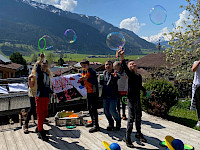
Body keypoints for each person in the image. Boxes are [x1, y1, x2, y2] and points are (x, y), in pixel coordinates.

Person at [118, 49, 147, 148]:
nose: (132, 64)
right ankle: (127, 137)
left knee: (138, 117)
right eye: (130, 64)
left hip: (137, 99)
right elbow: (125, 67)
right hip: (130, 99)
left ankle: (138, 133)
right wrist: (122, 57)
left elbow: (139, 86)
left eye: (133, 63)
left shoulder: (138, 76)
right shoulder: (129, 75)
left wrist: (145, 90)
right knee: (131, 118)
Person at [35, 54, 53, 141]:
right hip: (40, 96)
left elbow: (47, 86)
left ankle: (39, 128)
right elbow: (37, 66)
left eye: (46, 63)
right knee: (40, 114)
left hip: (46, 96)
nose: (45, 64)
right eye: (43, 63)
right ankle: (40, 131)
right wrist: (41, 59)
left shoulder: (46, 74)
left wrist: (52, 92)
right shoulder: (39, 73)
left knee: (45, 113)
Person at [100, 60, 121, 131]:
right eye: (106, 64)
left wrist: (115, 77)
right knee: (106, 111)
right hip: (105, 95)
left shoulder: (114, 72)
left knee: (112, 110)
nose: (107, 66)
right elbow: (102, 84)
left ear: (112, 66)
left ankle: (118, 121)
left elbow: (118, 76)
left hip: (113, 95)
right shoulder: (104, 73)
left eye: (109, 64)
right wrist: (100, 80)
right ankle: (111, 123)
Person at [80, 59, 100, 133]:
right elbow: (82, 84)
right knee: (89, 107)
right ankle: (93, 122)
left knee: (93, 108)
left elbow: (95, 82)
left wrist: (87, 79)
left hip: (94, 91)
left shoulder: (92, 72)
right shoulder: (83, 72)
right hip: (88, 91)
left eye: (84, 66)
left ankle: (96, 125)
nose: (83, 67)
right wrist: (82, 80)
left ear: (88, 65)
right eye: (82, 66)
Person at [23, 68, 37, 134]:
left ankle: (41, 124)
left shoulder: (43, 74)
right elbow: (31, 86)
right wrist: (29, 79)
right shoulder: (33, 75)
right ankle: (25, 124)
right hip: (33, 94)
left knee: (41, 108)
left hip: (39, 94)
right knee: (32, 108)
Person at [191, 61, 200, 127]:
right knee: (198, 104)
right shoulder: (196, 62)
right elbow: (193, 69)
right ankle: (199, 120)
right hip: (198, 86)